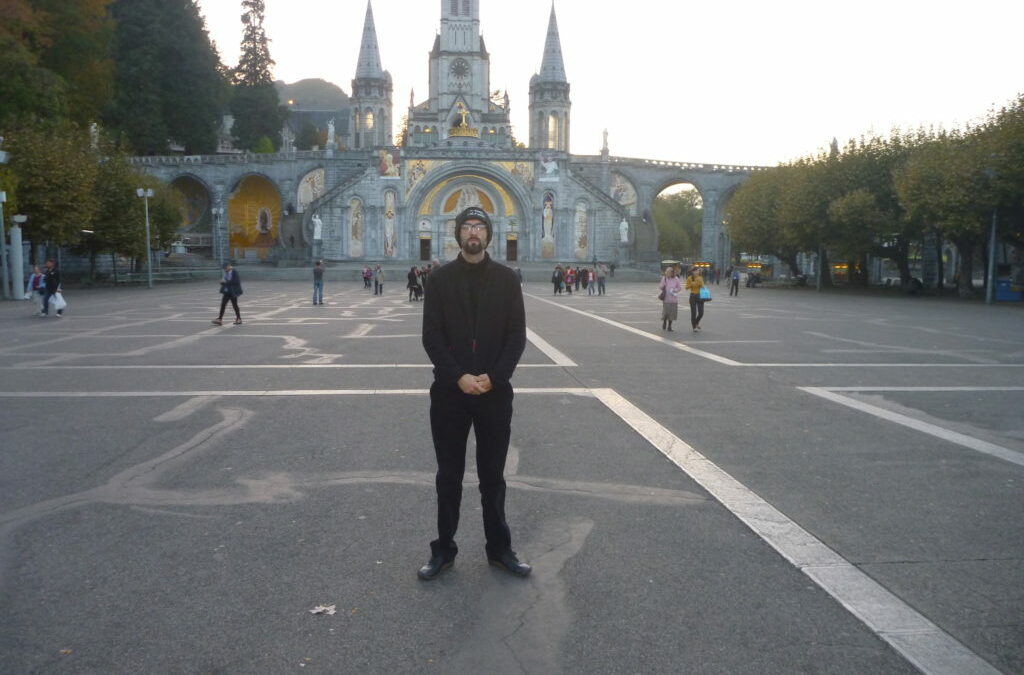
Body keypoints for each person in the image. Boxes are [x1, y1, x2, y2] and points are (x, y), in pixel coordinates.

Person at [418, 206, 529, 581]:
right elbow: (431, 336)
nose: (473, 233)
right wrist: (459, 376)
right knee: (448, 476)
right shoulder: (439, 279)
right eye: (467, 226)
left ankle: (499, 550)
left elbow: (517, 335)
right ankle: (443, 551)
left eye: (480, 226)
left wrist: (494, 377)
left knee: (492, 477)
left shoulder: (507, 279)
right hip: (450, 393)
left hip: (494, 393)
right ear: (458, 235)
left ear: (489, 235)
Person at [658, 265, 682, 331]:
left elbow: (680, 287)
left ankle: (670, 326)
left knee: (672, 313)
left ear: (672, 273)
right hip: (666, 298)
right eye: (666, 272)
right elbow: (660, 286)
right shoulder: (664, 278)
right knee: (666, 312)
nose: (667, 273)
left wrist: (675, 290)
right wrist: (663, 286)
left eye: (669, 272)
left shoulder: (676, 278)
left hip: (674, 298)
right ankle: (664, 322)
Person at [685, 266, 706, 332]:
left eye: (698, 271)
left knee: (701, 313)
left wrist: (701, 284)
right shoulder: (689, 278)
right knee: (693, 313)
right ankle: (694, 327)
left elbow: (703, 287)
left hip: (700, 296)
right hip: (693, 296)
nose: (697, 272)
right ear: (692, 272)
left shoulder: (700, 278)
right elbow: (686, 287)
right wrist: (691, 284)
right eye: (695, 271)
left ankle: (696, 322)